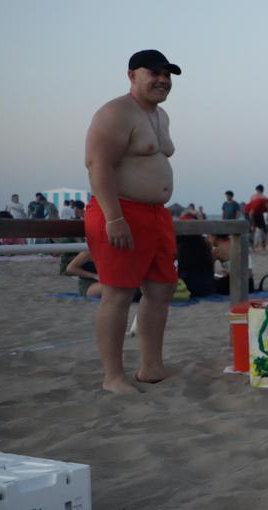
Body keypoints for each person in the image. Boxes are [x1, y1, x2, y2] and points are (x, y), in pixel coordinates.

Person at [83, 49, 182, 394]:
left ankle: (151, 368)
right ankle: (113, 377)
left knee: (161, 288)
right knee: (118, 293)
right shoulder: (115, 112)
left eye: (167, 74)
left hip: (156, 215)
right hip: (121, 210)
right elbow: (98, 165)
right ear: (131, 75)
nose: (162, 79)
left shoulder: (161, 116)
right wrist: (113, 217)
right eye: (153, 72)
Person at [244, 184, 268, 251]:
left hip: (254, 213)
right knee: (260, 229)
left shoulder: (254, 196)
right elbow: (252, 210)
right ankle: (261, 246)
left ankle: (254, 246)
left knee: (254, 229)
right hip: (253, 213)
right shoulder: (264, 197)